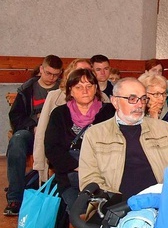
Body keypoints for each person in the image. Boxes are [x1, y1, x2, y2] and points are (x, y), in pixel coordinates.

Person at [78, 77, 168, 199]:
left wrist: (162, 193)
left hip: (160, 201)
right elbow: (89, 179)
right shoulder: (95, 134)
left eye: (143, 99)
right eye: (132, 99)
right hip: (114, 206)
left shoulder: (165, 130)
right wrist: (119, 202)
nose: (140, 104)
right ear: (115, 102)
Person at [44, 69, 115, 208]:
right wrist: (79, 166)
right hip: (70, 176)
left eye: (89, 86)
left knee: (107, 208)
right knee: (78, 209)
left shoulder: (109, 112)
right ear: (70, 90)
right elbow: (52, 148)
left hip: (104, 176)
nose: (85, 91)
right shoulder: (60, 114)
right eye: (79, 87)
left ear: (96, 88)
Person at [6, 54, 62, 216]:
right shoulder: (27, 89)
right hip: (32, 133)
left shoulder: (62, 91)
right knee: (17, 141)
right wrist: (33, 126)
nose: (52, 78)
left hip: (55, 136)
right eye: (48, 73)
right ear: (41, 70)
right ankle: (15, 198)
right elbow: (16, 117)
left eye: (56, 75)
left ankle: (57, 197)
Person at [33, 58, 97, 182]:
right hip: (69, 166)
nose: (83, 75)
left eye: (88, 71)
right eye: (79, 71)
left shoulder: (104, 104)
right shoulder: (56, 101)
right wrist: (41, 165)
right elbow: (44, 136)